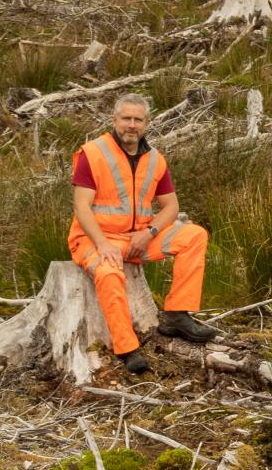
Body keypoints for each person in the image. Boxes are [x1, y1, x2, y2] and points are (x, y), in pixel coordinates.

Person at [69, 94, 217, 373]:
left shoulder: (154, 159)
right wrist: (102, 244)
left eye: (138, 119)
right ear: (114, 120)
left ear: (147, 124)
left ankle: (176, 314)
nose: (131, 125)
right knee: (110, 272)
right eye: (126, 118)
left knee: (194, 236)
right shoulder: (93, 153)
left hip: (138, 238)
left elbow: (171, 206)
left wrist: (149, 233)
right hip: (94, 239)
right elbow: (81, 206)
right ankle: (127, 349)